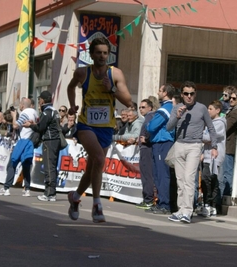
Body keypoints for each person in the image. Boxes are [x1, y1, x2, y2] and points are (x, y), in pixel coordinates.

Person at [66, 37, 133, 223]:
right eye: (98, 53)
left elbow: (128, 102)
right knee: (99, 159)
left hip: (106, 126)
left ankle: (75, 197)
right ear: (91, 54)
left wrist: (111, 89)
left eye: (105, 53)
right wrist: (72, 106)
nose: (102, 56)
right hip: (86, 124)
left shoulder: (115, 74)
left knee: (93, 167)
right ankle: (97, 204)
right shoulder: (82, 73)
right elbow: (70, 87)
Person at [166, 81, 218, 224]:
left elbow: (211, 128)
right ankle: (181, 210)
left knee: (189, 179)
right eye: (186, 94)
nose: (189, 96)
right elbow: (168, 127)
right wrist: (177, 116)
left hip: (194, 146)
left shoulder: (201, 108)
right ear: (182, 94)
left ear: (195, 94)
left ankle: (187, 211)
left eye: (192, 94)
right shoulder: (176, 108)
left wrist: (214, 147)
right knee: (180, 180)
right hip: (179, 145)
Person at [22, 91, 62, 201]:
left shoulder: (46, 112)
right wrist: (34, 124)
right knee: (52, 167)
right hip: (55, 140)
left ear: (43, 100)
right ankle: (52, 193)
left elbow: (40, 128)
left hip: (49, 141)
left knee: (49, 167)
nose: (39, 101)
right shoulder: (54, 110)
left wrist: (30, 125)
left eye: (39, 100)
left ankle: (48, 193)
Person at [0, 98, 38, 197]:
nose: (19, 106)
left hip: (21, 141)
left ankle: (6, 188)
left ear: (23, 105)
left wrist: (14, 116)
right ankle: (27, 189)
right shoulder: (35, 113)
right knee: (26, 166)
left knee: (12, 164)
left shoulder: (24, 113)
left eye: (20, 104)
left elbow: (15, 125)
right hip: (29, 142)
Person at [146, 84, 175, 215]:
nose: (158, 92)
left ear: (165, 93)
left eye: (160, 90)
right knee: (159, 174)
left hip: (162, 142)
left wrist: (148, 125)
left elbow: (151, 127)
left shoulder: (165, 109)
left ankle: (164, 204)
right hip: (161, 142)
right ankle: (161, 202)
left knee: (162, 174)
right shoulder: (167, 107)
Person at [200, 100, 226, 217]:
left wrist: (200, 135)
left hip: (214, 156)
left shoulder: (220, 123)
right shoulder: (209, 123)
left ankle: (211, 205)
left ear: (217, 110)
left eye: (210, 109)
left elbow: (211, 136)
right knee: (206, 180)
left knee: (210, 180)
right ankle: (208, 204)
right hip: (206, 155)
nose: (208, 111)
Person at [221, 88, 237, 197]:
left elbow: (226, 126)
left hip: (230, 145)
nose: (231, 100)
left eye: (234, 98)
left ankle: (227, 194)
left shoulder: (236, 111)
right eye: (230, 98)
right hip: (226, 144)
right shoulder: (230, 110)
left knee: (228, 172)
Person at [136, 99, 155, 209]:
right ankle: (147, 198)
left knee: (147, 174)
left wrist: (147, 139)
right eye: (140, 107)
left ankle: (148, 199)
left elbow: (150, 129)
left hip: (146, 149)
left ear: (150, 108)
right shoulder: (147, 117)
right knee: (146, 174)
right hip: (145, 148)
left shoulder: (149, 116)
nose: (141, 109)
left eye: (143, 107)